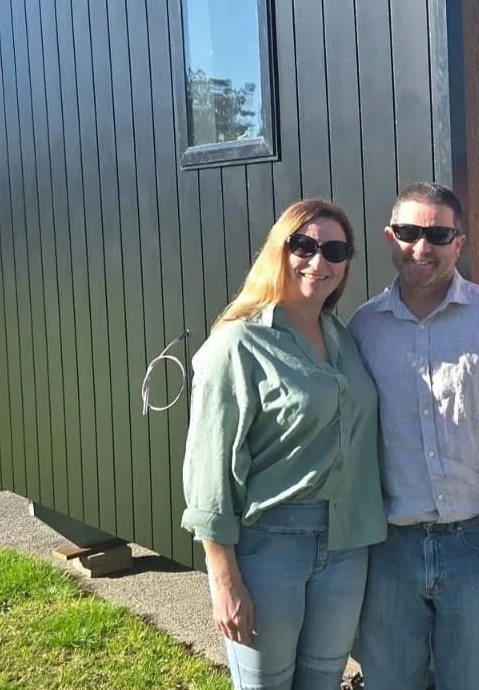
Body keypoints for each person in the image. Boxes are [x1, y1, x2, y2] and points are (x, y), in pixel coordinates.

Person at [180, 199, 386, 690]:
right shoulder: (238, 344)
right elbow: (210, 467)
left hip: (346, 545)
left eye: (334, 249)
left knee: (322, 680)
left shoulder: (345, 337)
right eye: (305, 245)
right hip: (270, 547)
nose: (319, 261)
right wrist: (223, 578)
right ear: (280, 249)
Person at [349, 182, 479, 690]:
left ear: (459, 242)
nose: (422, 247)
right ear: (390, 237)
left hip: (476, 545)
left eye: (438, 233)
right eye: (411, 232)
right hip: (390, 546)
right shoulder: (363, 328)